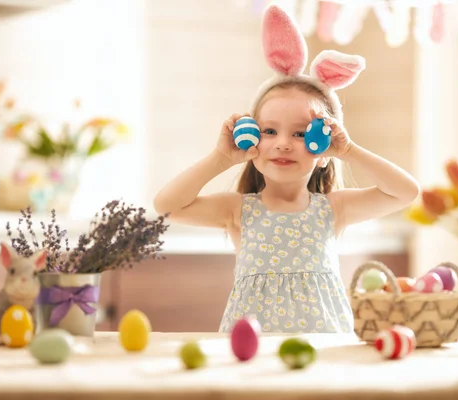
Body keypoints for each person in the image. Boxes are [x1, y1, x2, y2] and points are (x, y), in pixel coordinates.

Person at [153, 5, 420, 334]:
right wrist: (221, 159)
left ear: (322, 151)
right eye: (269, 131)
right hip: (251, 353)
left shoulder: (333, 209)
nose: (282, 143)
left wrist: (348, 151)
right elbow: (166, 206)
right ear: (250, 137)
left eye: (299, 133)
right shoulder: (238, 210)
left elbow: (406, 192)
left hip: (323, 352)